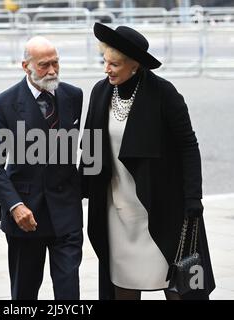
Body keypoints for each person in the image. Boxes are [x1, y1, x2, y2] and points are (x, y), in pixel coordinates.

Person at [79, 23, 215, 300]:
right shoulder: (100, 92)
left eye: (115, 64)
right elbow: (91, 146)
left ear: (135, 65)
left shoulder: (164, 93)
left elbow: (188, 145)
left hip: (161, 207)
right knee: (122, 283)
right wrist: (78, 188)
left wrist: (193, 197)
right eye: (105, 62)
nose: (107, 70)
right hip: (117, 211)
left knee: (178, 283)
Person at [0, 36, 83, 300]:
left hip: (66, 212)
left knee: (69, 292)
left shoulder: (73, 95)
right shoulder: (4, 103)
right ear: (25, 66)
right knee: (25, 293)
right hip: (26, 215)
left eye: (55, 63)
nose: (52, 71)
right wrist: (15, 206)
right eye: (43, 65)